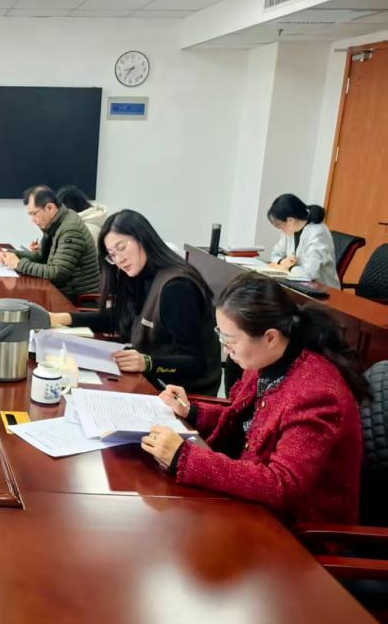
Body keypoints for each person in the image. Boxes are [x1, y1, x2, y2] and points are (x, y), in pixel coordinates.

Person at [144, 272, 365, 524]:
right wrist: (191, 412)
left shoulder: (316, 393)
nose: (225, 349)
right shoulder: (266, 360)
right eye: (221, 336)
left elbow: (283, 485)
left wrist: (184, 457)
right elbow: (247, 420)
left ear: (270, 337)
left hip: (297, 531)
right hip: (255, 508)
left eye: (230, 340)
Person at [47, 209, 222, 394]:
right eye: (112, 255)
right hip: (149, 379)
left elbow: (197, 362)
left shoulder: (177, 288)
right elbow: (120, 318)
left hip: (180, 393)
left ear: (143, 239)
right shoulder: (138, 275)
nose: (119, 259)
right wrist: (62, 318)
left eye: (122, 248)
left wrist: (147, 362)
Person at [0, 185, 100, 301]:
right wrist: (12, 254)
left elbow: (57, 273)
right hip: (60, 293)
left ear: (50, 208)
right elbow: (42, 257)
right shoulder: (56, 223)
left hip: (76, 300)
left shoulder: (70, 229)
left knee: (16, 300)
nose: (32, 220)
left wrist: (19, 264)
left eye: (34, 214)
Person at [267, 194, 339, 288]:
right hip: (298, 285)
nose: (281, 230)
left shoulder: (318, 233)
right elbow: (274, 254)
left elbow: (309, 274)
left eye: (281, 226)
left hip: (322, 290)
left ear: (291, 220)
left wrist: (289, 267)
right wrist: (282, 261)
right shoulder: (290, 231)